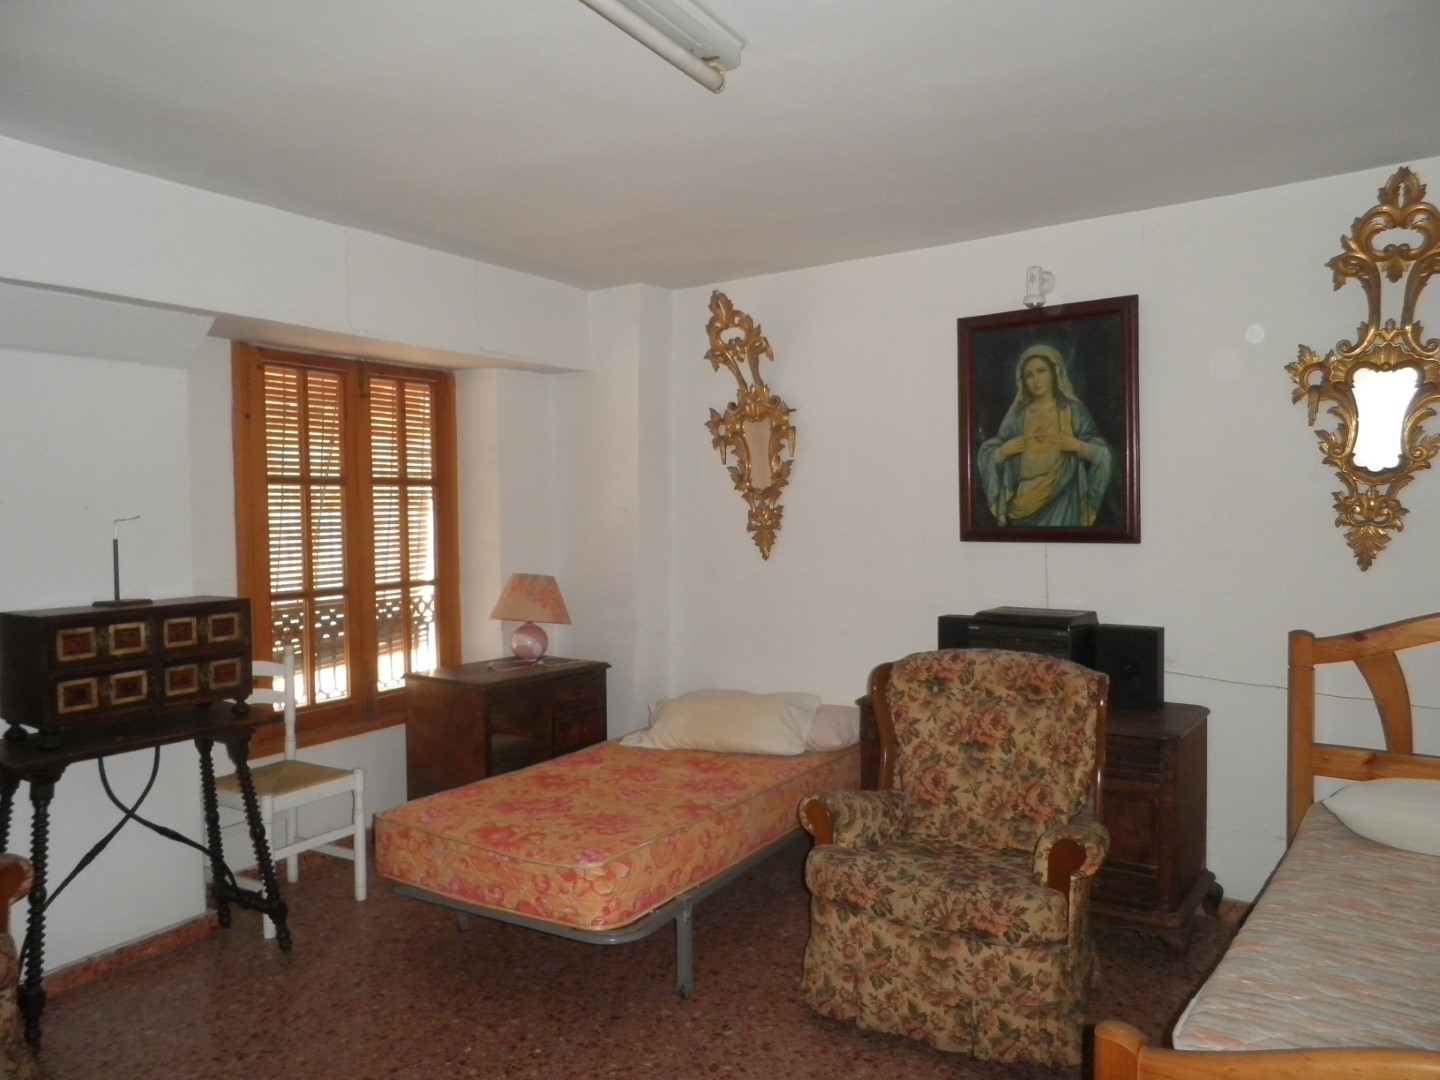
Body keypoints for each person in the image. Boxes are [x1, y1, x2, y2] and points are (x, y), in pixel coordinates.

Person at [976, 344, 1113, 527]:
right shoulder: (1017, 414)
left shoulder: (1073, 410)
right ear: (1022, 380)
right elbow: (988, 454)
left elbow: (1103, 454)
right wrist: (1002, 452)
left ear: (1055, 372)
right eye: (1028, 375)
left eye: (1041, 371)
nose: (1035, 380)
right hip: (1023, 500)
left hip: (1063, 499)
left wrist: (1079, 446)